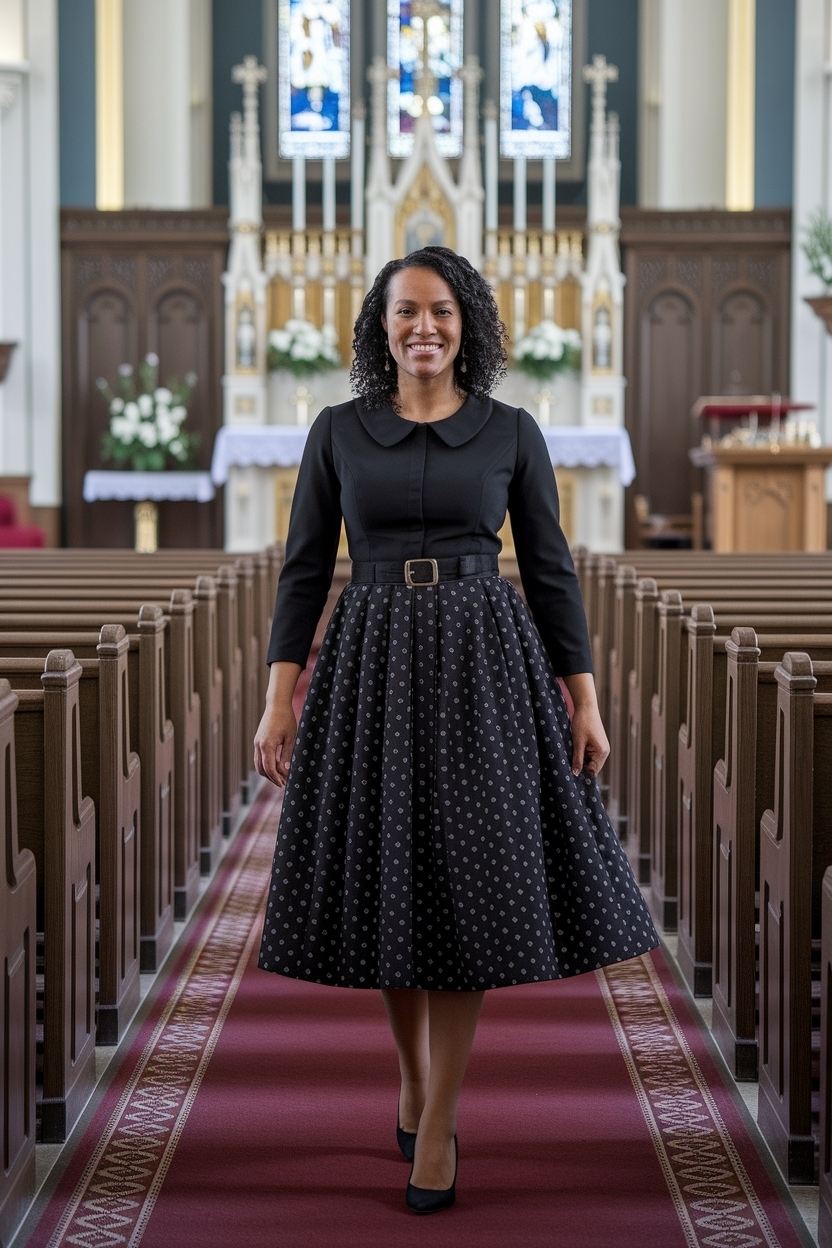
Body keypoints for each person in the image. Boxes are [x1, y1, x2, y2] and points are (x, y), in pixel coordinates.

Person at [254, 246, 658, 1215]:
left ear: (466, 322)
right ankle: (410, 1072)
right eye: (405, 313)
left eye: (440, 312)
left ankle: (439, 1116)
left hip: (484, 664)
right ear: (380, 325)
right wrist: (279, 695)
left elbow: (552, 570)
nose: (422, 328)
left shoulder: (511, 433)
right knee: (395, 878)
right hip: (371, 663)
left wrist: (585, 697)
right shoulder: (337, 432)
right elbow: (304, 568)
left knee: (470, 887)